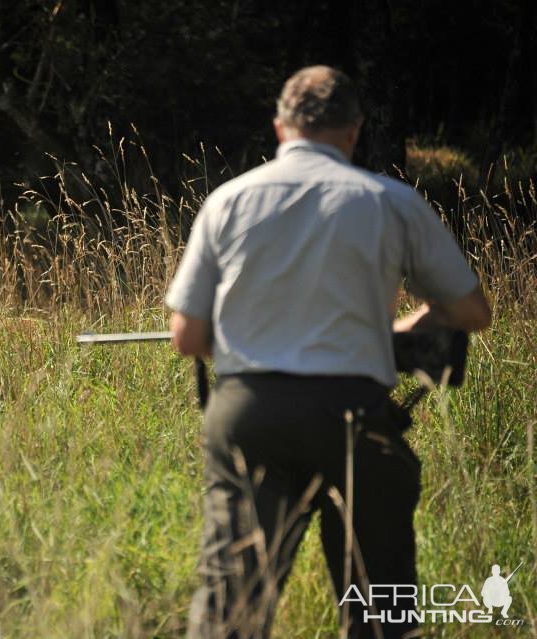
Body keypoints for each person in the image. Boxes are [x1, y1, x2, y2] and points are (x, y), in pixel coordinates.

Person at [164, 65, 491, 639]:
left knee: (231, 607)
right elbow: (472, 313)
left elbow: (188, 337)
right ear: (353, 131)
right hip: (355, 416)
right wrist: (405, 324)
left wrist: (248, 330)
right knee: (379, 603)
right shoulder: (392, 202)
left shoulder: (227, 201)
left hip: (251, 415)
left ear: (280, 126)